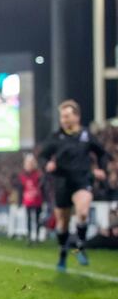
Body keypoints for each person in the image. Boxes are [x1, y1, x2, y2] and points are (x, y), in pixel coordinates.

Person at [39, 99, 109, 271]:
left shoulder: (86, 135)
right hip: (62, 181)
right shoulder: (56, 137)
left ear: (76, 116)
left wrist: (101, 169)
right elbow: (42, 156)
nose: (64, 119)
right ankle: (63, 253)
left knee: (83, 212)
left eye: (67, 116)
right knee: (62, 223)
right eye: (62, 117)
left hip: (82, 180)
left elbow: (102, 154)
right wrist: (47, 164)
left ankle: (80, 247)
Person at [18, 154, 43, 244]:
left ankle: (36, 236)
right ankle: (29, 236)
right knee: (28, 218)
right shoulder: (22, 175)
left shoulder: (38, 175)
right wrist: (20, 202)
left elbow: (42, 187)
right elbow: (21, 189)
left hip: (37, 200)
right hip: (28, 200)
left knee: (37, 219)